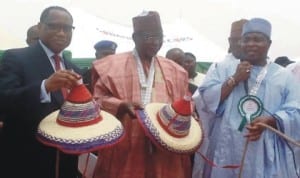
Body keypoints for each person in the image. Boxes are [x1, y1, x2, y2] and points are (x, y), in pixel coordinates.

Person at [193, 18, 300, 178]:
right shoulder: (223, 68)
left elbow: (295, 108)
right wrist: (234, 79)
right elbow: (206, 99)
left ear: (269, 44)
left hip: (264, 148)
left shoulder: (283, 76)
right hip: (225, 145)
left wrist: (271, 120)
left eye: (257, 39)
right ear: (240, 42)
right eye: (247, 39)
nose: (251, 44)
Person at [92, 11, 191, 178]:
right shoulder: (111, 66)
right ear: (134, 37)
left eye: (159, 37)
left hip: (164, 144)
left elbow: (186, 101)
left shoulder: (176, 71)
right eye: (148, 37)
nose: (155, 42)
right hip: (124, 141)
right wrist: (120, 105)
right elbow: (97, 101)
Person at [0, 6, 82, 178]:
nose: (61, 33)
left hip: (65, 161)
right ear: (40, 26)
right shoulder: (16, 58)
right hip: (26, 159)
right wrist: (44, 87)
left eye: (67, 28)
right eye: (54, 26)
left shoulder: (73, 68)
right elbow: (4, 100)